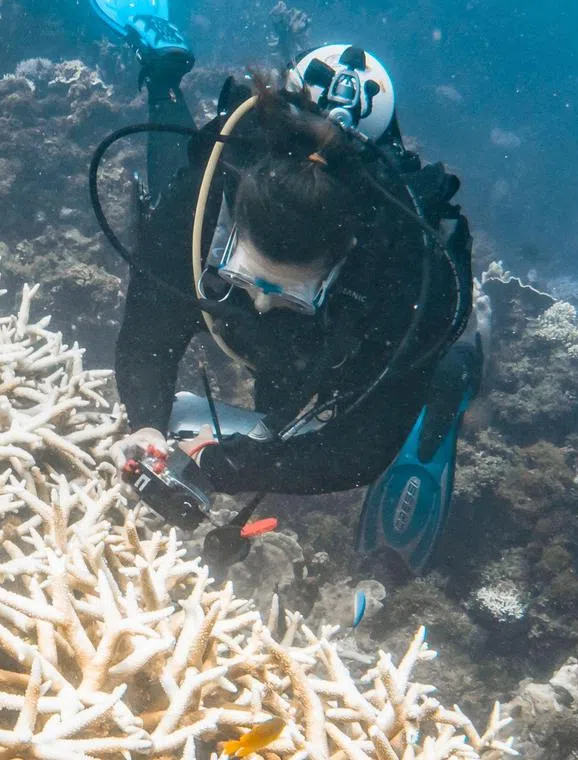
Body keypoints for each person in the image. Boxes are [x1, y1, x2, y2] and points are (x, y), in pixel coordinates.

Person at [88, 0, 489, 572]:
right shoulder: (211, 195)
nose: (256, 304)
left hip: (335, 344)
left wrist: (253, 466)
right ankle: (161, 65)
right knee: (173, 178)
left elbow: (363, 449)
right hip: (222, 205)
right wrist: (147, 421)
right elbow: (148, 332)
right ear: (232, 230)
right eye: (242, 278)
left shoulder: (403, 278)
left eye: (286, 295)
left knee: (426, 377)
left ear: (339, 271)